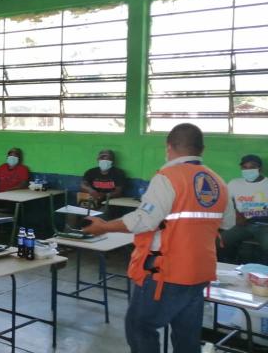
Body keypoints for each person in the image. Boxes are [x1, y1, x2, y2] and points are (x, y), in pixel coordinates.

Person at [82, 123, 235, 353]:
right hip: (200, 271)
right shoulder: (219, 182)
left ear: (169, 147)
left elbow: (145, 220)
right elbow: (228, 223)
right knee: (186, 335)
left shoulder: (168, 177)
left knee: (140, 327)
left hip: (165, 269)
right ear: (202, 150)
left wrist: (104, 226)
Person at [218, 154, 268, 263]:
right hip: (242, 225)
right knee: (219, 242)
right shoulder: (235, 183)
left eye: (252, 167)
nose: (248, 170)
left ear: (260, 168)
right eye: (245, 167)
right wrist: (236, 214)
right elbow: (225, 202)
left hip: (264, 226)